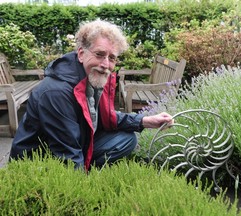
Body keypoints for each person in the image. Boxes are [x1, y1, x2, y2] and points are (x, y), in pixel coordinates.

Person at [9, 19, 173, 171]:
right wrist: (88, 193)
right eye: (100, 54)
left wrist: (144, 121)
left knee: (127, 139)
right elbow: (67, 154)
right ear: (81, 54)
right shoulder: (56, 92)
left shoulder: (90, 79)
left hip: (75, 139)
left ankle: (87, 167)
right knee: (74, 164)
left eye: (112, 58)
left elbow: (103, 117)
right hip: (38, 162)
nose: (105, 64)